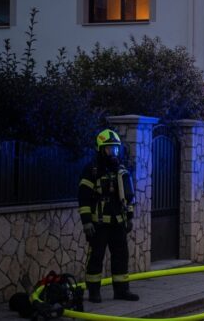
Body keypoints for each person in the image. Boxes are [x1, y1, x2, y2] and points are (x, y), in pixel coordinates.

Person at [78, 129, 138, 303]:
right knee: (96, 256)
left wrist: (129, 218)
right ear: (100, 149)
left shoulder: (121, 170)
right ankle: (94, 292)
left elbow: (128, 197)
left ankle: (121, 290)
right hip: (98, 224)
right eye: (109, 149)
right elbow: (83, 197)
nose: (113, 153)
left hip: (118, 222)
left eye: (116, 149)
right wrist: (87, 222)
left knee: (121, 256)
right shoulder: (92, 170)